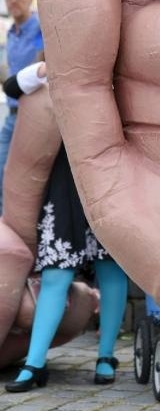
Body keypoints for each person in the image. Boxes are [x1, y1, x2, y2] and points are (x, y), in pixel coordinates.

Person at [3, 63, 128, 392]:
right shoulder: (57, 68)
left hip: (110, 180)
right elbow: (12, 87)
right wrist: (47, 68)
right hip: (65, 184)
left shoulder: (117, 70)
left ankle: (106, 356)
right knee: (55, 274)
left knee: (112, 268)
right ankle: (34, 364)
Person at [0, 0, 44, 213]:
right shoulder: (11, 32)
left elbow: (42, 65)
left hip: (33, 116)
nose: (13, 1)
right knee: (2, 171)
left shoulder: (39, 28)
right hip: (11, 114)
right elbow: (7, 70)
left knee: (27, 178)